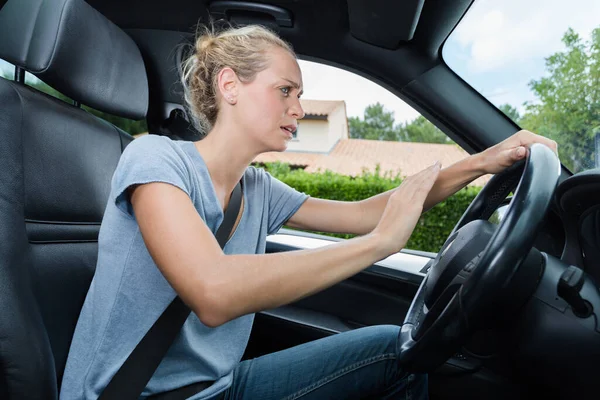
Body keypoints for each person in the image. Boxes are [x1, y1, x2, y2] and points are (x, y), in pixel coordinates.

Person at [60, 23, 558, 400]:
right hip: (141, 395)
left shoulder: (257, 188)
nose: (299, 109)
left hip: (218, 385)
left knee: (398, 351)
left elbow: (367, 212)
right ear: (230, 86)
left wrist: (484, 162)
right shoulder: (154, 159)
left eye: (299, 95)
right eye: (286, 91)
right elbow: (212, 290)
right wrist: (381, 244)